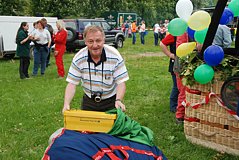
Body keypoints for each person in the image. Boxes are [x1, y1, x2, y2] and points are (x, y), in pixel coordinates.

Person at [62, 26, 129, 113]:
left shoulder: (115, 56)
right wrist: (66, 104)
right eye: (90, 41)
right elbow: (72, 84)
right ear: (85, 41)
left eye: (98, 41)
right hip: (89, 101)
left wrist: (118, 100)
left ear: (104, 40)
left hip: (111, 101)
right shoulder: (78, 58)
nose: (95, 45)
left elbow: (121, 82)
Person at [160, 34, 179, 113]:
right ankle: (173, 106)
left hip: (183, 62)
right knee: (176, 86)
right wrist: (170, 54)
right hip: (175, 64)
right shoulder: (174, 34)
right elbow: (162, 44)